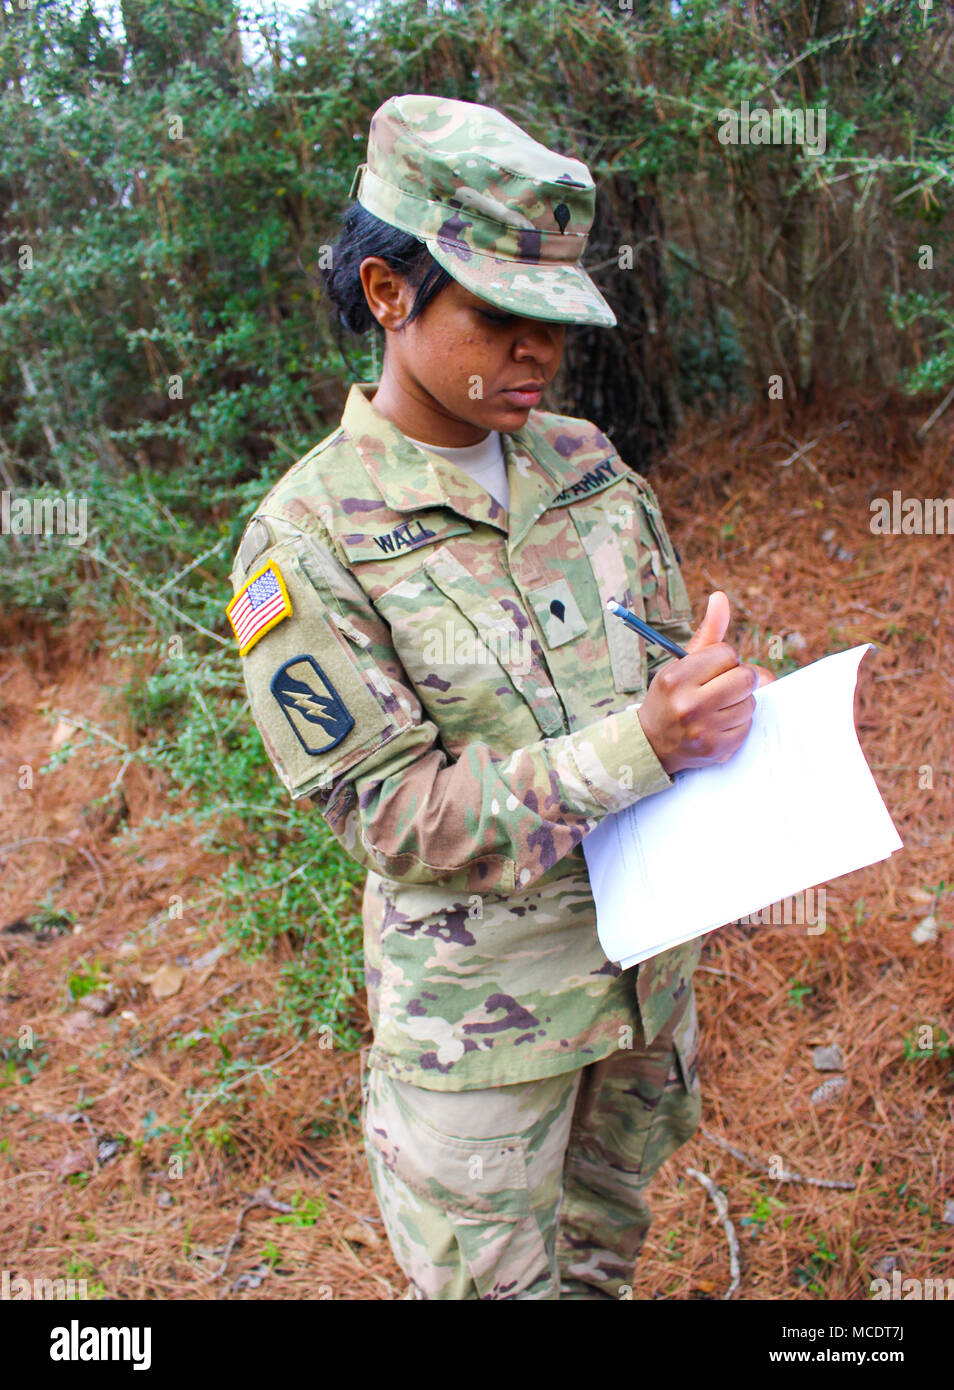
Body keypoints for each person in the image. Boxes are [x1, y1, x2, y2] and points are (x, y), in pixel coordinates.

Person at [226, 93, 770, 1300]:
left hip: (638, 1001)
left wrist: (716, 701)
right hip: (486, 1055)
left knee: (601, 1275)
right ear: (386, 293)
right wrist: (641, 742)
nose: (538, 352)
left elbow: (662, 665)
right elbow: (395, 816)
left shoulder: (587, 465)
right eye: (501, 316)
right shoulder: (306, 540)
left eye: (556, 323)